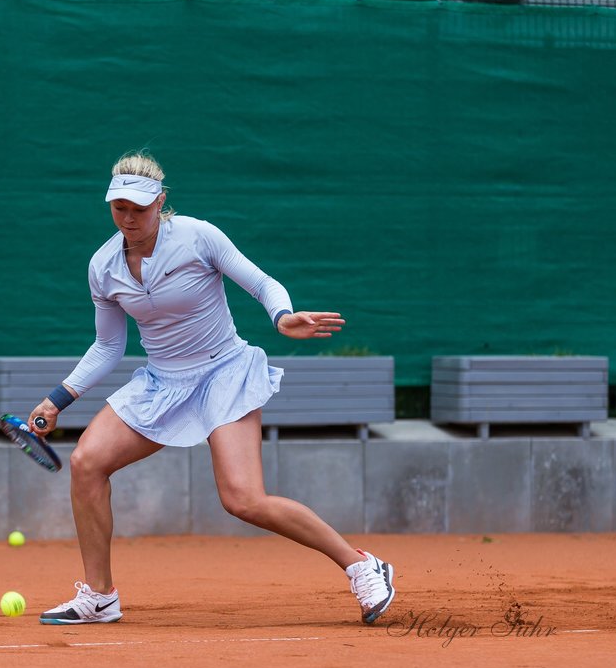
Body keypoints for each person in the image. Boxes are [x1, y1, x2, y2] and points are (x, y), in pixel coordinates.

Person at [28, 152, 396, 626]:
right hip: (162, 382)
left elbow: (263, 283)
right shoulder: (103, 266)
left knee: (243, 500)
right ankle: (99, 596)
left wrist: (283, 318)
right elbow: (108, 346)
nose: (130, 218)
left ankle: (361, 564)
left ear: (160, 201)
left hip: (224, 372)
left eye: (140, 208)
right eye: (120, 208)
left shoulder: (199, 237)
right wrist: (58, 399)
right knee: (86, 463)